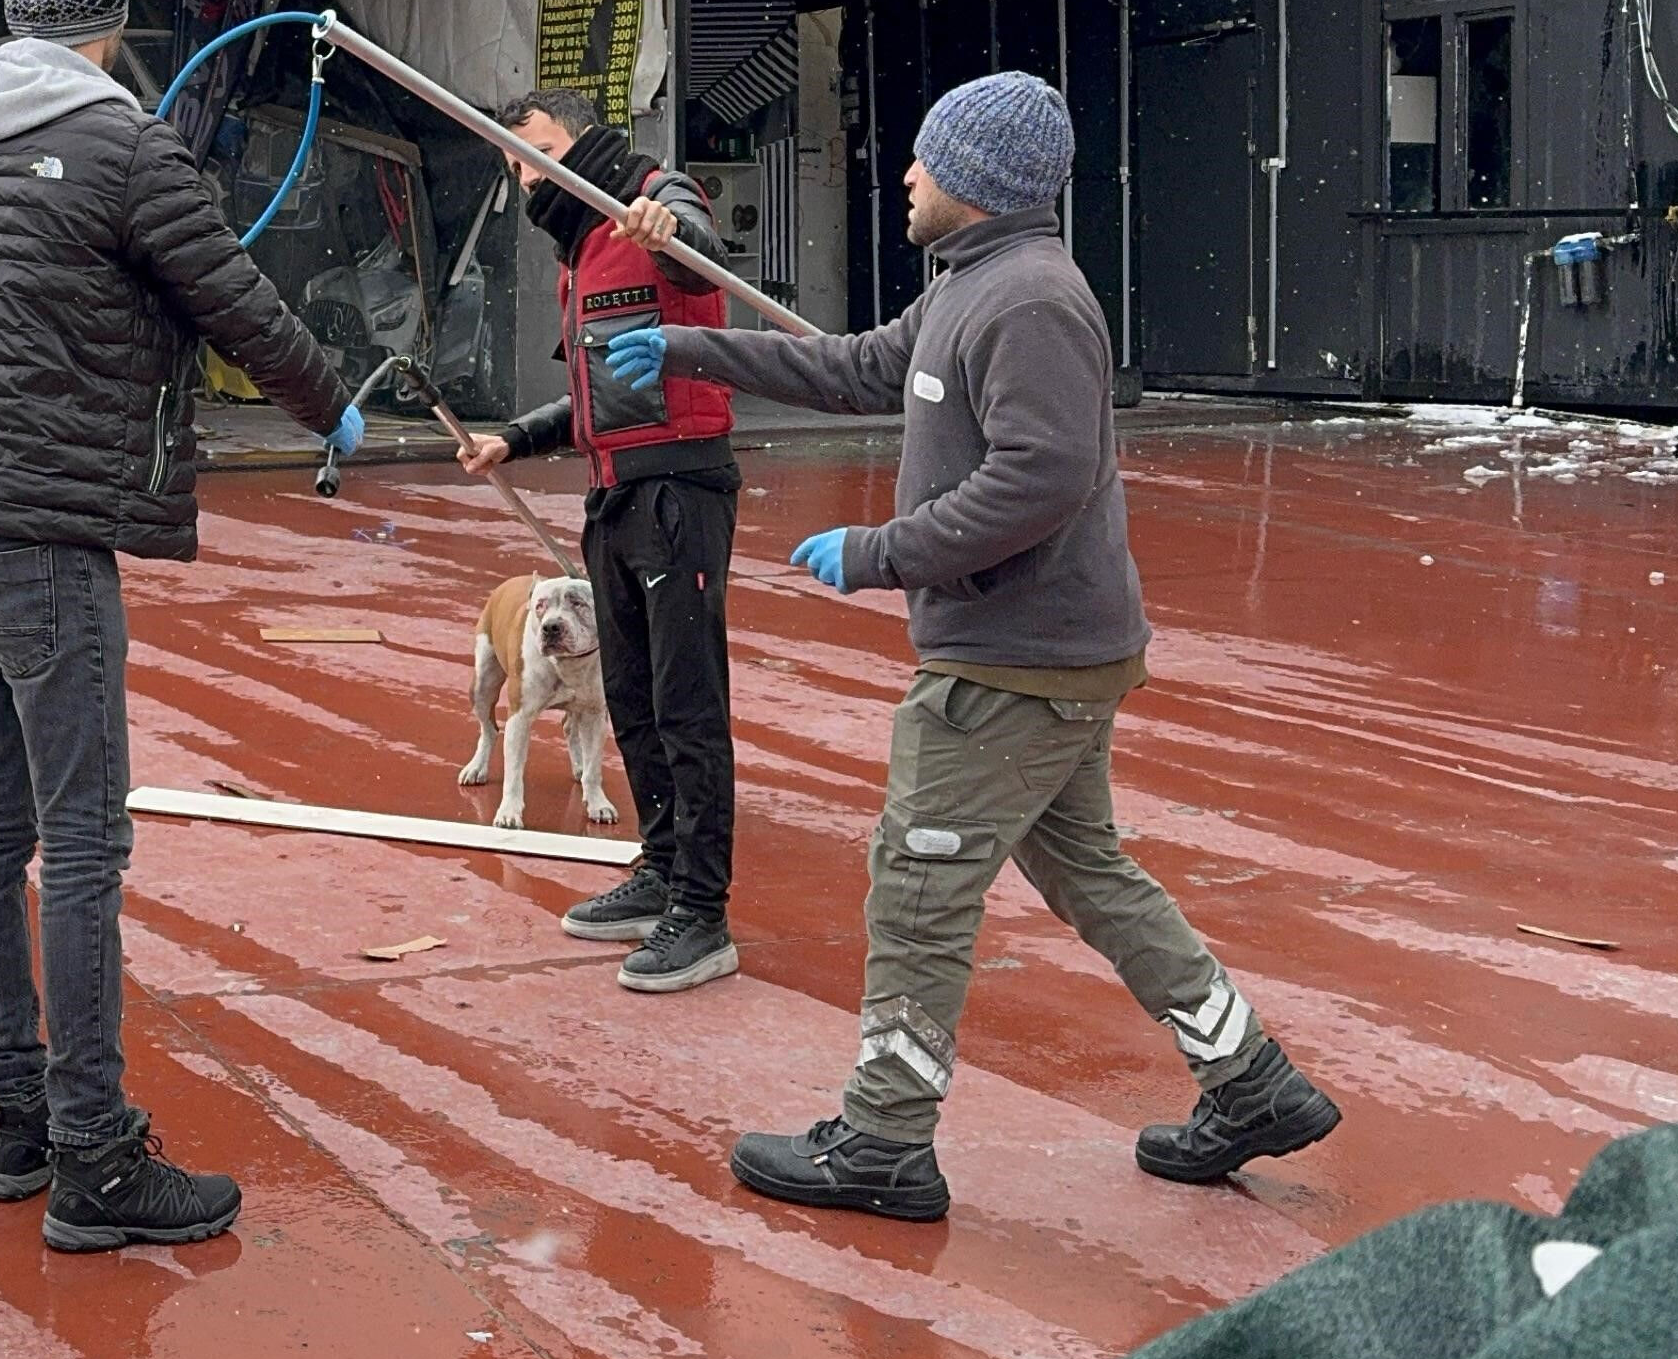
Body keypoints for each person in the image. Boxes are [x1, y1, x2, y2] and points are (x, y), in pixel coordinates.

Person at [606, 71, 1340, 1221]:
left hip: (1010, 661)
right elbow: (855, 368)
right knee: (1089, 872)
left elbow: (1038, 476)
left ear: (980, 184)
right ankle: (1251, 1083)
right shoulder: (969, 285)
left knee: (917, 885)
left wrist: (885, 550)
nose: (905, 175)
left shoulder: (1031, 302)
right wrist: (696, 353)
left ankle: (885, 1142)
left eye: (925, 160)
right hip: (1039, 652)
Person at [0, 0, 362, 1255]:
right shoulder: (121, 142)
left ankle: (17, 1126)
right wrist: (330, 408)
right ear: (111, 22)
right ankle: (98, 1156)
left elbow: (56, 275)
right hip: (41, 530)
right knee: (85, 839)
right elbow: (235, 299)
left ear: (9, 12)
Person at [455, 86, 745, 993]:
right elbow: (595, 396)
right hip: (613, 496)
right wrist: (520, 436)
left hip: (679, 491)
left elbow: (707, 266)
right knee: (630, 696)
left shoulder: (657, 199)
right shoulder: (576, 249)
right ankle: (660, 870)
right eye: (509, 156)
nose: (522, 165)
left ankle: (702, 913)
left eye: (531, 144)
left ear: (578, 137)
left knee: (686, 702)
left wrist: (671, 230)